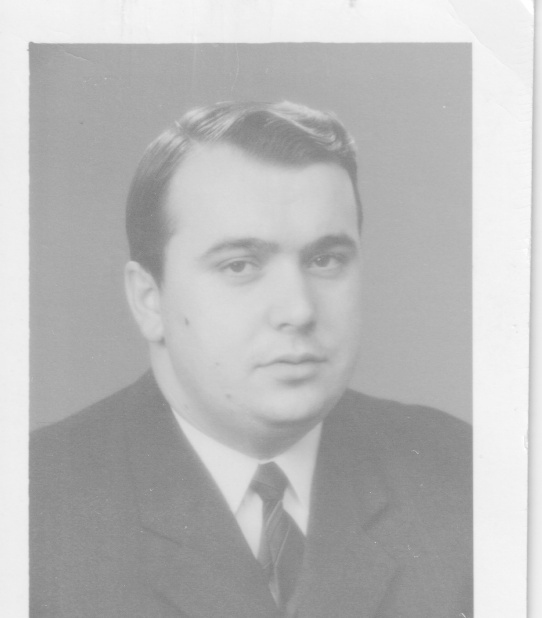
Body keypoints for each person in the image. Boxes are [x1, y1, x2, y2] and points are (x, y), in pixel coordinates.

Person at [30, 101, 472, 618]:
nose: (298, 310)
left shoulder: (464, 474)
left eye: (325, 259)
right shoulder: (30, 504)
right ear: (149, 300)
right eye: (240, 265)